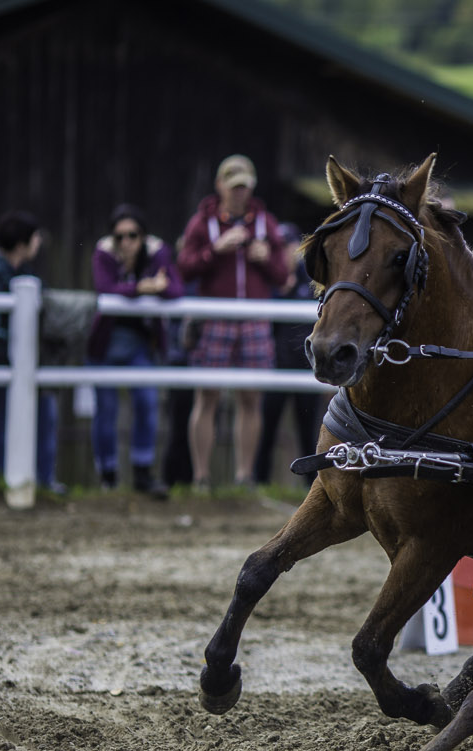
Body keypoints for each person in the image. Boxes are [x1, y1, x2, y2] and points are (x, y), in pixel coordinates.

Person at [179, 154, 287, 490]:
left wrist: (266, 258)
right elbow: (184, 268)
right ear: (220, 186)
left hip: (254, 318)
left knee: (250, 398)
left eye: (244, 186)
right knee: (207, 396)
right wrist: (215, 250)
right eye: (234, 186)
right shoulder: (203, 222)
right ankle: (201, 477)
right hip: (215, 317)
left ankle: (244, 476)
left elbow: (283, 274)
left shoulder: (265, 222)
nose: (239, 193)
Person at [90, 203, 181, 496]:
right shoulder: (103, 253)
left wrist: (158, 287)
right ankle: (108, 476)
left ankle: (143, 472)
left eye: (132, 235)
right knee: (106, 411)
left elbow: (175, 289)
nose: (126, 241)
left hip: (141, 344)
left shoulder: (157, 252)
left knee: (147, 403)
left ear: (143, 236)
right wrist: (142, 287)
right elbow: (104, 287)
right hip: (105, 344)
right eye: (120, 236)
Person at [0, 210, 62, 494]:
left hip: (33, 359)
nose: (38, 242)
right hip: (3, 360)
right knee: (4, 421)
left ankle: (43, 480)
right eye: (35, 237)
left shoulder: (26, 271)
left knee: (45, 418)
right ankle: (1, 478)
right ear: (21, 243)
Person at [252, 222, 324, 488]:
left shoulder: (311, 278)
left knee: (309, 430)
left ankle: (312, 486)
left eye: (287, 245)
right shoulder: (270, 280)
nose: (284, 252)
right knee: (267, 427)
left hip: (306, 366)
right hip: (275, 366)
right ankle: (258, 481)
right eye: (278, 247)